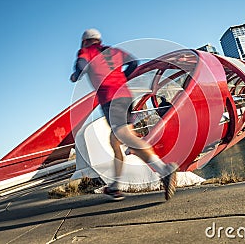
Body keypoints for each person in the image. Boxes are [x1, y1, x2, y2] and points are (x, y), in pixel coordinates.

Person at [70, 28, 178, 201]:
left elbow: (82, 64)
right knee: (115, 141)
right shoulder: (113, 51)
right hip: (125, 96)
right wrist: (122, 77)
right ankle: (115, 187)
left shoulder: (86, 51)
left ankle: (164, 170)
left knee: (126, 137)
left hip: (110, 100)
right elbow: (134, 62)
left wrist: (77, 74)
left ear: (85, 41)